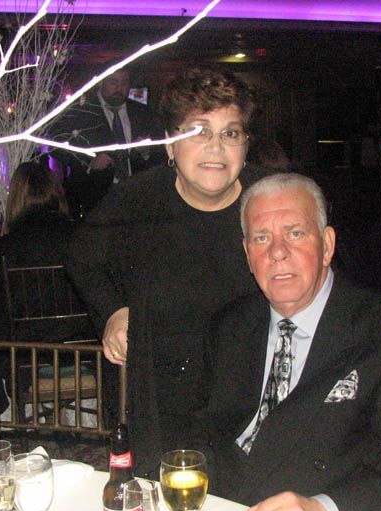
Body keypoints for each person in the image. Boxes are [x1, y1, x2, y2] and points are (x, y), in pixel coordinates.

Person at [202, 173, 381, 511]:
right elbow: (208, 430)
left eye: (295, 233)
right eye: (261, 238)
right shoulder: (230, 326)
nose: (278, 252)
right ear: (247, 254)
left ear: (328, 244)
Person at [67, 67, 269, 477]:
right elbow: (80, 256)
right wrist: (111, 311)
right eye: (198, 131)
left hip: (254, 390)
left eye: (230, 133)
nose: (216, 147)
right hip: (162, 392)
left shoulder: (270, 198)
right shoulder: (136, 201)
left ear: (245, 146)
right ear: (170, 146)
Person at [0, 160, 90, 344]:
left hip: (25, 357)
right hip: (84, 352)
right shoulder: (84, 240)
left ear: (14, 199)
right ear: (57, 193)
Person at [50, 68, 163, 216]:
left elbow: (160, 147)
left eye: (124, 83)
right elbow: (56, 145)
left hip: (136, 196)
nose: (119, 88)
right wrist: (88, 161)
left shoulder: (141, 112)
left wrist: (146, 151)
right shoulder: (83, 111)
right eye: (113, 82)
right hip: (94, 196)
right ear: (101, 83)